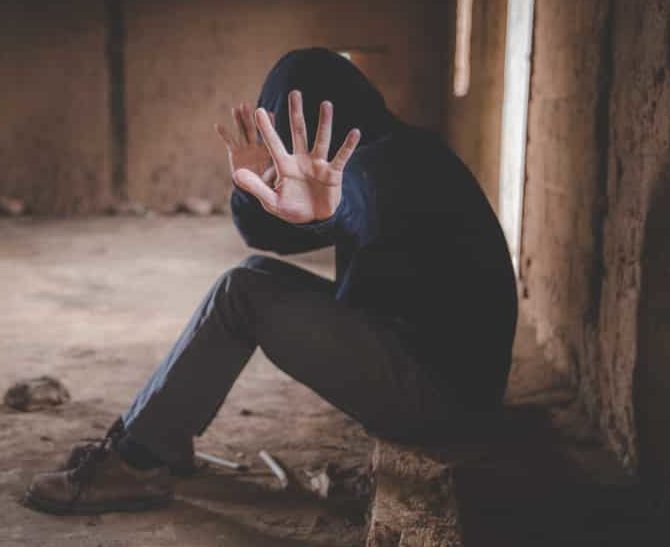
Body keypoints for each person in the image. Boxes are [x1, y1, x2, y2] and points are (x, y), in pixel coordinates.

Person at [24, 48, 517, 515]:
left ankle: (139, 461)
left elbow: (350, 201)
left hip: (441, 399)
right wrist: (254, 189)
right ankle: (155, 440)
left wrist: (322, 210)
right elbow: (269, 237)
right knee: (253, 277)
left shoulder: (383, 167)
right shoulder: (399, 149)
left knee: (243, 294)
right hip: (447, 376)